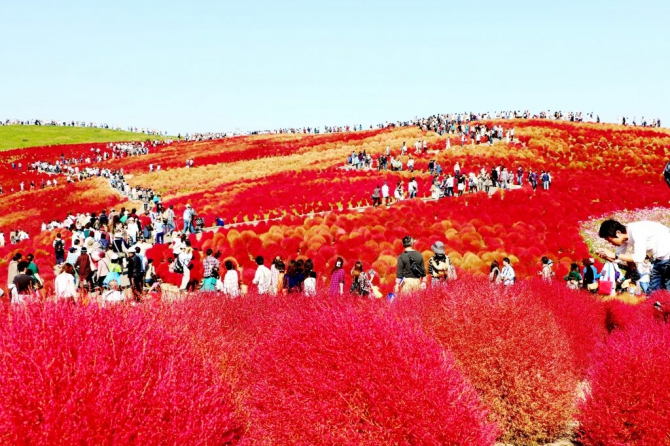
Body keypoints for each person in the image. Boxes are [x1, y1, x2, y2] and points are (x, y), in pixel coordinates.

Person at [596, 219, 670, 293]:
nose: (610, 243)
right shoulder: (624, 237)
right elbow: (617, 259)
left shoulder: (637, 231)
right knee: (653, 293)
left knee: (666, 289)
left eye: (609, 240)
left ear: (618, 233)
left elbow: (639, 258)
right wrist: (606, 256)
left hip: (667, 258)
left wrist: (613, 255)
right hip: (660, 259)